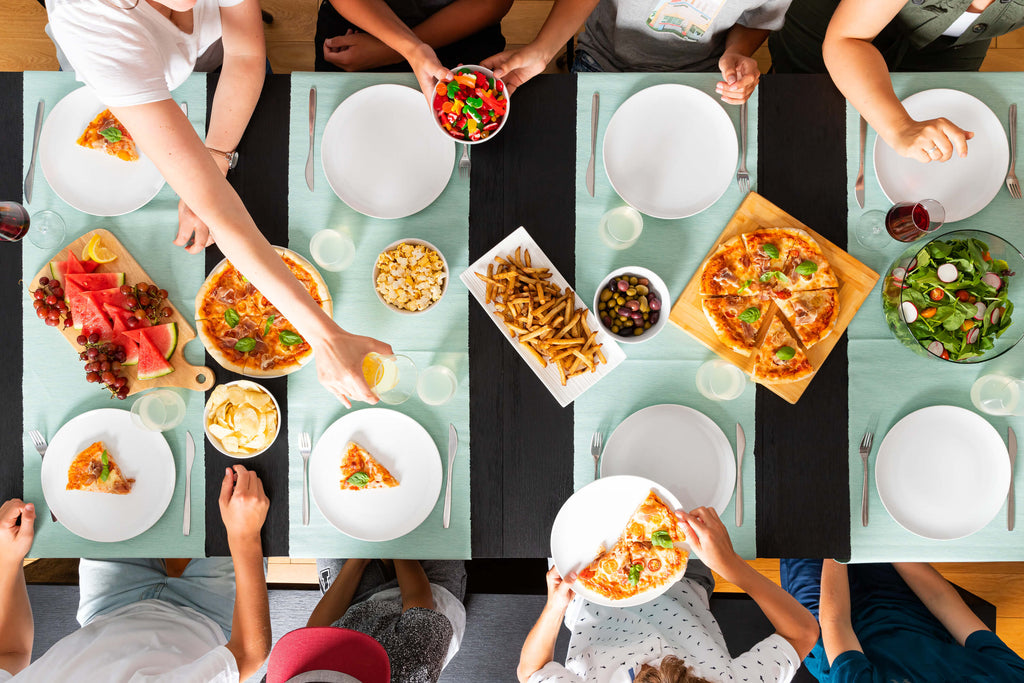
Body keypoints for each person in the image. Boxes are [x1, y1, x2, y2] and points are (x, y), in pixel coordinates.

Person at [45, 0, 391, 407]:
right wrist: (325, 337)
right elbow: (218, 210)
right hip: (119, 58)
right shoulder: (89, 22)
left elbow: (245, 56)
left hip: (207, 51)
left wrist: (213, 158)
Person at [0, 465, 272, 681]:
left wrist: (7, 560)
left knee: (118, 473)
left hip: (109, 608)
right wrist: (245, 536)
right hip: (207, 619)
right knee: (244, 479)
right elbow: (248, 654)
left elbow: (10, 654)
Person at [517, 507, 820, 683]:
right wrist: (731, 565)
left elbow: (531, 672)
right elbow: (803, 633)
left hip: (587, 584)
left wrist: (554, 607)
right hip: (685, 574)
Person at [769, 0, 1024, 163]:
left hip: (955, 40)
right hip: (842, 22)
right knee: (801, 123)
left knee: (935, 146)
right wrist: (900, 127)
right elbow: (846, 40)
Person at [481, 0, 793, 105]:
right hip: (604, 60)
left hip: (705, 73)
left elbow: (758, 17)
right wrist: (542, 50)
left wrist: (737, 50)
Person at [782, 558, 1024, 681]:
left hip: (830, 630)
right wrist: (888, 543)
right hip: (911, 613)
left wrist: (838, 545)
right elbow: (941, 600)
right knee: (877, 512)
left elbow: (836, 621)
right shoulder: (1010, 677)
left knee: (807, 523)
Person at [299, 557, 467, 682]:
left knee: (330, 534)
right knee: (442, 529)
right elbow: (417, 598)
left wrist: (357, 561)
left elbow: (316, 634)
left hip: (360, 610)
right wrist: (394, 547)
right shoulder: (411, 668)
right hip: (431, 598)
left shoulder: (308, 674)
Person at [315, 0, 512, 77]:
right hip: (362, 17)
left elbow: (495, 3)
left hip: (463, 25)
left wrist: (390, 52)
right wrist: (408, 49)